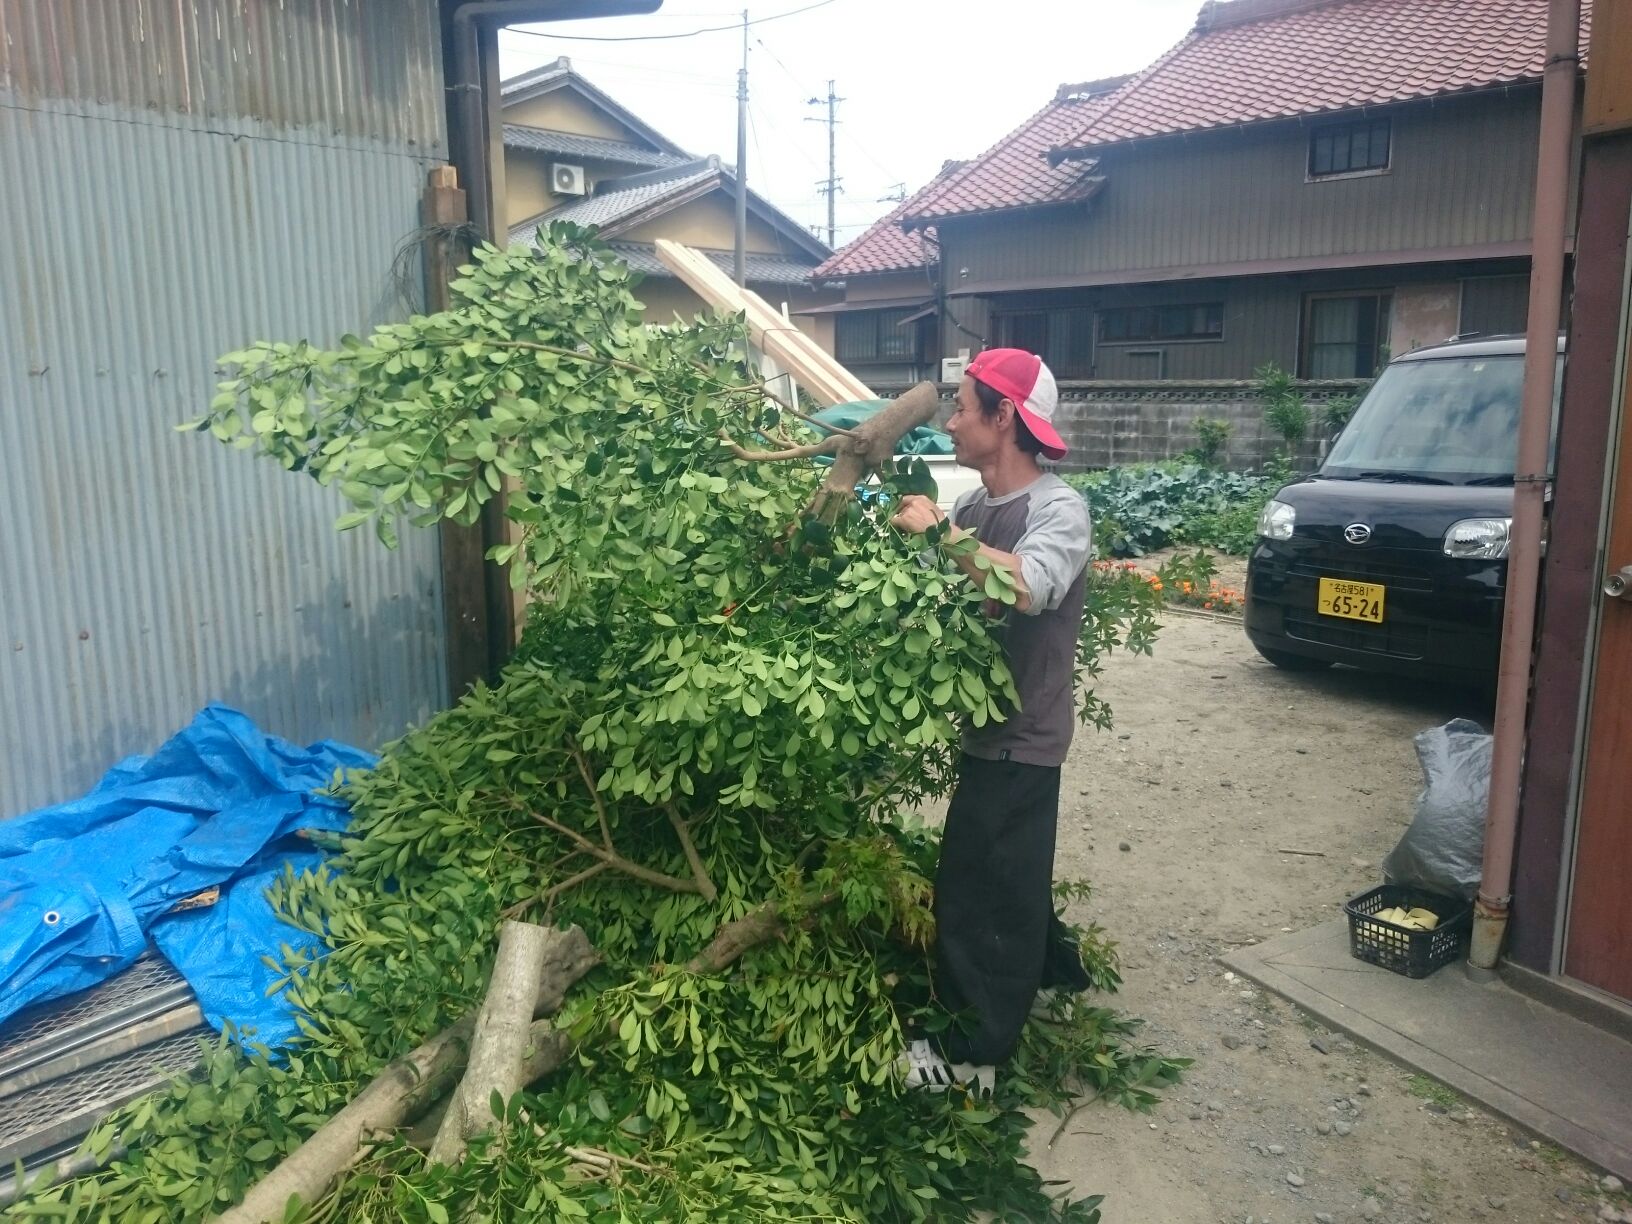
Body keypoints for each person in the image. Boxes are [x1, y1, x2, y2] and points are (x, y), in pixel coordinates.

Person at [888, 347, 1093, 1095]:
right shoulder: (977, 508)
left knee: (983, 890)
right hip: (985, 730)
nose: (951, 421)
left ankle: (978, 1047)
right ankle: (1055, 962)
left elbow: (1029, 586)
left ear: (1003, 417)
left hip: (1024, 737)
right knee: (999, 873)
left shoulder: (1058, 511)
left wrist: (942, 536)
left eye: (963, 408)